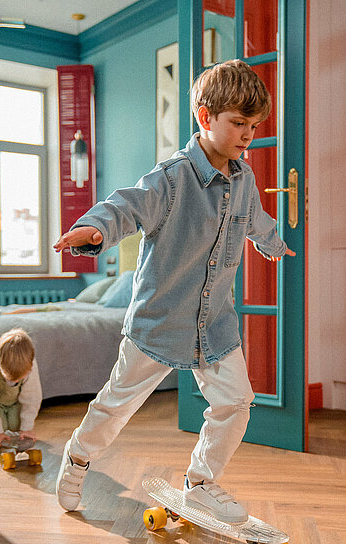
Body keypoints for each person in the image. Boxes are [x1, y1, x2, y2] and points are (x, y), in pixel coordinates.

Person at [53, 59, 296, 524]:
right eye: (238, 124)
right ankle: (80, 456)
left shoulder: (244, 182)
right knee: (118, 403)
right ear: (206, 118)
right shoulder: (172, 177)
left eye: (254, 125)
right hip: (160, 319)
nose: (248, 135)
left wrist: (272, 243)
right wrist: (94, 229)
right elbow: (125, 205)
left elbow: (255, 221)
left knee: (235, 402)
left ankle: (201, 483)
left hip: (215, 324)